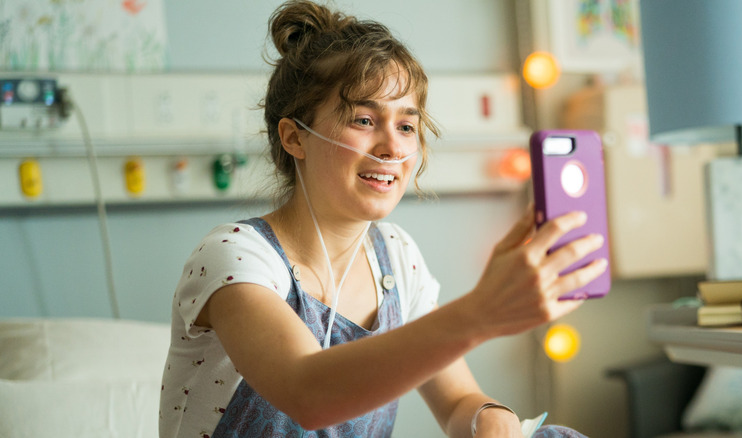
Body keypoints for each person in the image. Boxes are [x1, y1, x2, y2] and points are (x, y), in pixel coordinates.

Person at [158, 1, 607, 437]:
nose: (393, 147)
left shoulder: (396, 257)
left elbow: (456, 403)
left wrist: (488, 417)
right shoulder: (234, 259)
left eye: (407, 126)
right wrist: (480, 313)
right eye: (364, 119)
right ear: (295, 137)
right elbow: (308, 392)